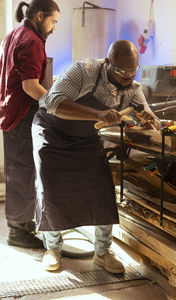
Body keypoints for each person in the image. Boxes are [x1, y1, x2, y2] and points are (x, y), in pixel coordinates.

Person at [32, 40, 160, 272]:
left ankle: (102, 252)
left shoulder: (133, 88)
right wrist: (97, 112)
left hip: (84, 136)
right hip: (52, 131)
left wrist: (149, 120)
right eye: (122, 71)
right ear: (108, 63)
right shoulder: (84, 71)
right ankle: (53, 249)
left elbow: (150, 116)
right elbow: (53, 102)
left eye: (133, 70)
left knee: (101, 188)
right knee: (51, 187)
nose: (127, 77)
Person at [0, 0, 60, 248]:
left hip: (10, 110)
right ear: (39, 16)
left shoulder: (14, 34)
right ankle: (18, 231)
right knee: (23, 173)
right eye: (53, 21)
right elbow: (30, 86)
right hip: (22, 114)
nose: (54, 28)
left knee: (19, 172)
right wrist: (56, 103)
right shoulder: (32, 41)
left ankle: (22, 225)